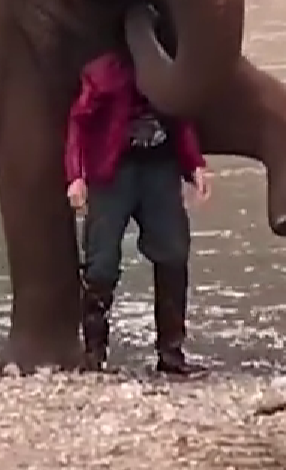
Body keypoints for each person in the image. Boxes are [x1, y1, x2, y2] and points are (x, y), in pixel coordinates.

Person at [64, 49, 211, 376]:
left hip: (159, 168)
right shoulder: (103, 73)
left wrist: (194, 165)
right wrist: (76, 175)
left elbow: (179, 120)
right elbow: (79, 122)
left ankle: (171, 354)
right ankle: (95, 354)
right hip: (113, 172)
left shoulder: (166, 69)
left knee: (173, 253)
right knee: (101, 263)